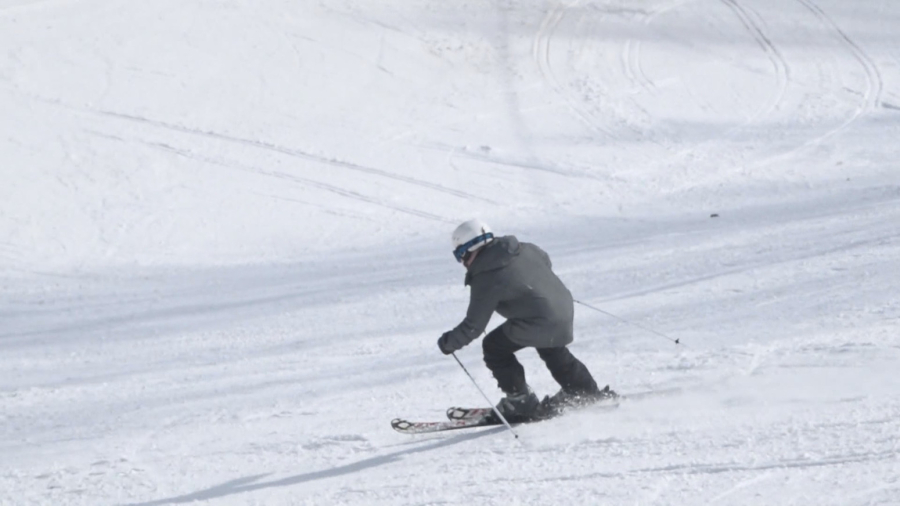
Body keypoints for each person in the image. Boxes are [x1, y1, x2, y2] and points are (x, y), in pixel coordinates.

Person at [437, 219, 615, 422]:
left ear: (468, 251)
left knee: (494, 347)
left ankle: (520, 401)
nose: (462, 263)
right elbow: (545, 260)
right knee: (551, 346)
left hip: (540, 318)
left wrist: (449, 343)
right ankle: (583, 390)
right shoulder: (524, 248)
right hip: (562, 308)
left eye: (459, 256)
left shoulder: (486, 277)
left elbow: (474, 327)